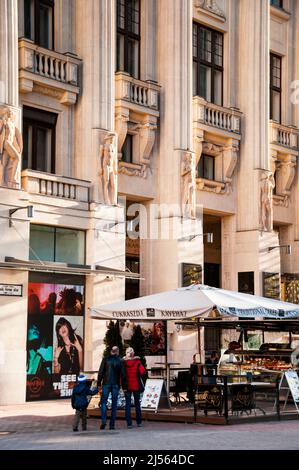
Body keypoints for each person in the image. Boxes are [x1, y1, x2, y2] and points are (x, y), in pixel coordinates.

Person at [97, 346, 126, 430]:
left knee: (103, 402)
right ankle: (112, 424)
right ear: (117, 352)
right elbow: (123, 375)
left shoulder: (106, 359)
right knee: (114, 404)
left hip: (106, 383)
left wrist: (99, 383)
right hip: (115, 385)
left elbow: (100, 372)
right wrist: (124, 387)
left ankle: (103, 421)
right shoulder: (120, 361)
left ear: (111, 352)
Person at [122, 347, 146, 429]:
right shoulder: (137, 361)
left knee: (128, 405)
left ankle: (129, 424)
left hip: (127, 386)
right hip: (136, 386)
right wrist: (140, 363)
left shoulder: (123, 362)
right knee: (137, 404)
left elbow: (121, 375)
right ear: (133, 353)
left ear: (126, 353)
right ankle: (139, 422)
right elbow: (142, 372)